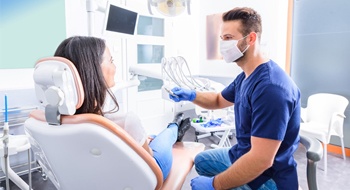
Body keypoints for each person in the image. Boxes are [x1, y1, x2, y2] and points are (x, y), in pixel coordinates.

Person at [169, 7, 301, 190]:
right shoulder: (245, 76)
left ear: (251, 39)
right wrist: (191, 95)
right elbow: (217, 100)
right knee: (201, 161)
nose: (223, 45)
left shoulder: (271, 88)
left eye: (229, 38)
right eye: (222, 38)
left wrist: (215, 184)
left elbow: (261, 160)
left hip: (268, 176)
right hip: (243, 153)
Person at [53, 36, 191, 181]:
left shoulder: (54, 121)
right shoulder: (125, 121)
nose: (115, 67)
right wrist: (144, 145)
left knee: (152, 137)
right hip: (146, 176)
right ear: (93, 70)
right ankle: (175, 126)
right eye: (111, 61)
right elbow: (149, 160)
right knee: (166, 138)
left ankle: (157, 135)